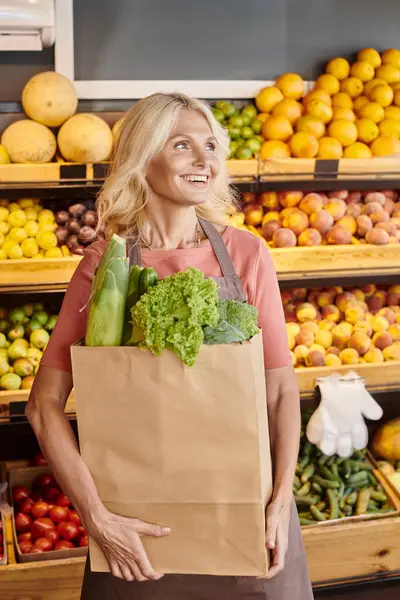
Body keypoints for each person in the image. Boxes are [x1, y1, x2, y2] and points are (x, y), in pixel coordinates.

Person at [26, 92, 313, 600]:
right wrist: (96, 517)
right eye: (183, 145)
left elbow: (280, 390)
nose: (205, 160)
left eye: (210, 145)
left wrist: (279, 499)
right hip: (135, 529)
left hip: (245, 512)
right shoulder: (104, 264)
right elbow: (43, 404)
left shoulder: (246, 254)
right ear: (144, 156)